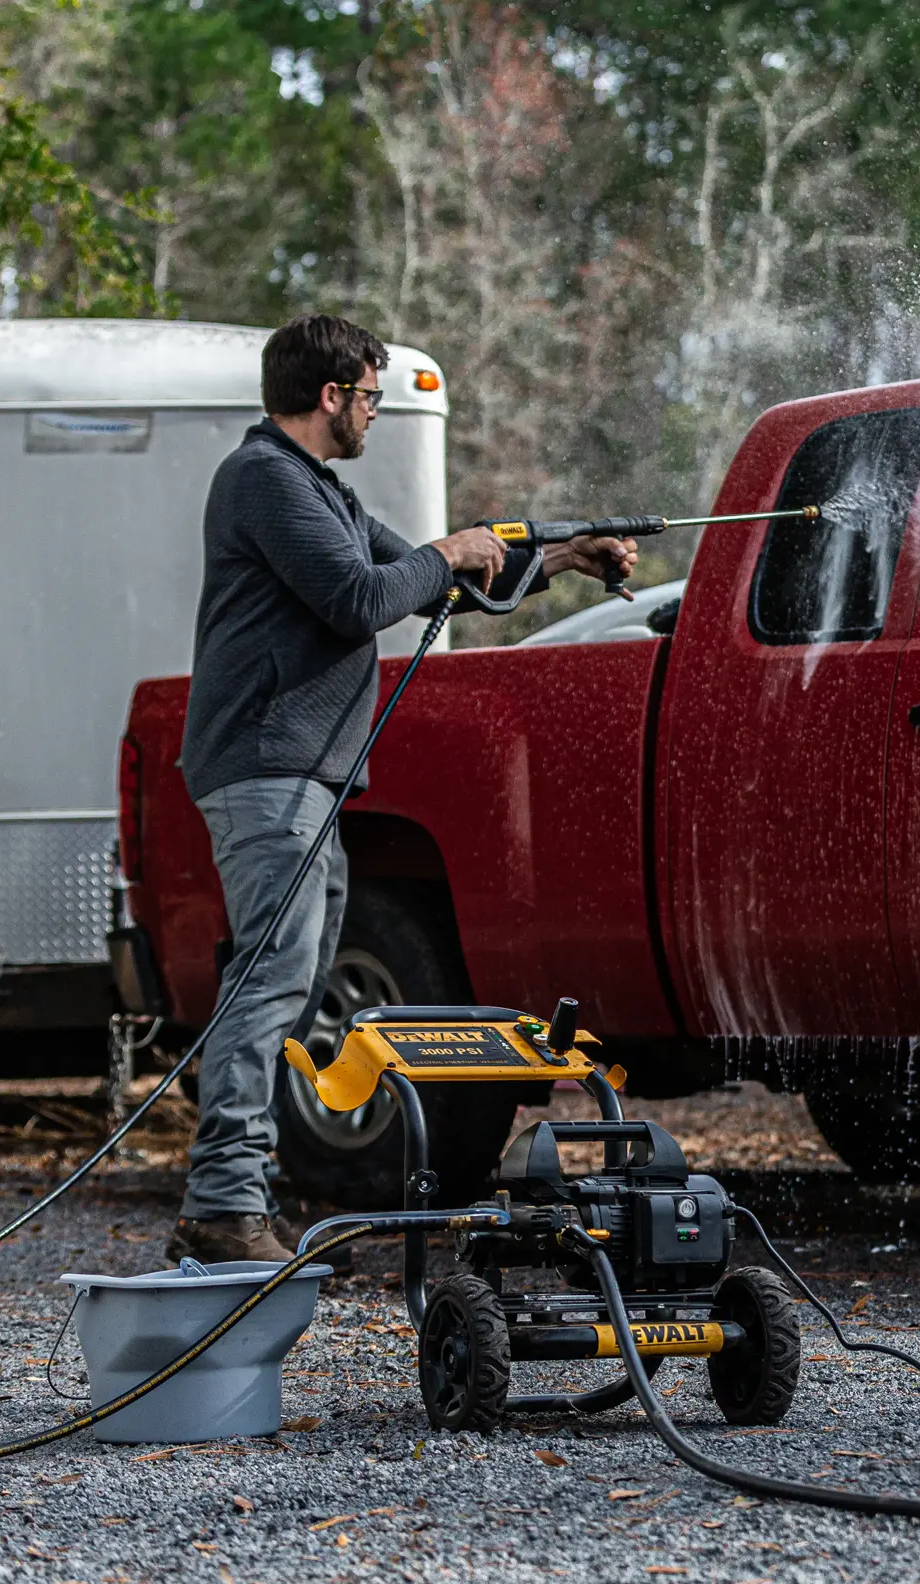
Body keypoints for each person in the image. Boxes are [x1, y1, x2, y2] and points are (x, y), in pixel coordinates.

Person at [166, 314, 637, 1263]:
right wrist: (450, 549)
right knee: (270, 984)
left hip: (307, 779)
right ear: (331, 395)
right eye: (370, 396)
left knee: (291, 989)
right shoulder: (262, 478)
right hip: (268, 770)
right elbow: (359, 597)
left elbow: (434, 584)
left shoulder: (320, 492)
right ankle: (222, 1205)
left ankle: (240, 1196)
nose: (376, 413)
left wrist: (566, 554)